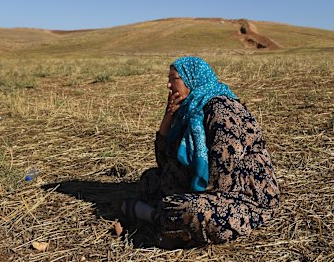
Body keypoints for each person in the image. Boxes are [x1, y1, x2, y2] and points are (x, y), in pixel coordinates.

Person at [120, 56, 280, 248]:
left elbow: (222, 178)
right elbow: (164, 163)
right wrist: (167, 119)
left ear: (192, 79)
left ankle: (156, 217)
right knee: (150, 179)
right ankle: (169, 219)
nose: (168, 84)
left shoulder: (221, 110)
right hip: (206, 187)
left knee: (188, 210)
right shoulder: (189, 111)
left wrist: (186, 195)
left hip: (243, 195)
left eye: (174, 78)